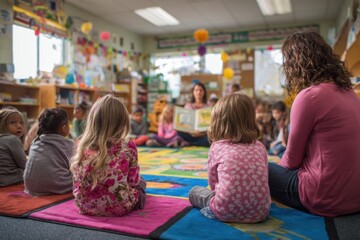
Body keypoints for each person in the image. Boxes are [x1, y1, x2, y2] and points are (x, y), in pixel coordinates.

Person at [269, 31, 360, 217]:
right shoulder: (349, 92)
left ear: (296, 63)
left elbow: (291, 161)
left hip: (324, 197)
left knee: (259, 165)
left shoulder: (309, 96)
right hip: (355, 197)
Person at [189, 93, 271, 223]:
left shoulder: (217, 147)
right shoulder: (260, 147)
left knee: (194, 192)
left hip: (224, 210)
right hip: (261, 212)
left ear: (218, 122)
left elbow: (213, 183)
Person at [70, 94, 146, 216]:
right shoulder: (127, 145)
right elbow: (133, 182)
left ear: (93, 120)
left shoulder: (82, 144)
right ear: (122, 122)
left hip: (84, 206)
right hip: (119, 208)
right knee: (141, 182)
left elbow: (76, 182)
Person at [24, 108, 73, 195]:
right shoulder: (68, 144)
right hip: (59, 186)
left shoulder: (36, 142)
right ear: (64, 128)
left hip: (31, 187)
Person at [177, 82, 210, 146]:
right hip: (190, 134)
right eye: (196, 90)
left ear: (204, 92)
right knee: (178, 133)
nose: (199, 92)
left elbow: (210, 125)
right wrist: (191, 132)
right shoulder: (188, 106)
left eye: (201, 90)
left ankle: (190, 144)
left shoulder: (208, 107)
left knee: (209, 139)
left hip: (203, 135)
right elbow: (184, 123)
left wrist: (201, 133)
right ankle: (192, 143)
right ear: (193, 92)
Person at [0, 108, 27, 186]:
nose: (19, 126)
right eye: (12, 122)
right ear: (1, 124)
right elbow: (25, 165)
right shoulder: (12, 139)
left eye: (21, 123)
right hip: (10, 180)